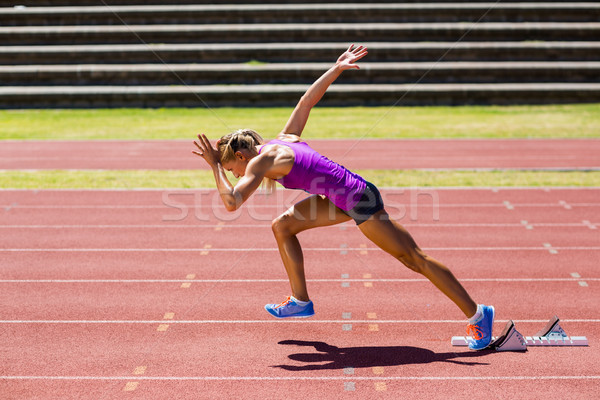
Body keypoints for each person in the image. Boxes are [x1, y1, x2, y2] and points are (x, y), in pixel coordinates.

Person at [193, 44, 494, 350]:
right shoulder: (281, 140)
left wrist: (214, 165)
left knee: (413, 259)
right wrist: (336, 69)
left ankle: (478, 314)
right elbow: (306, 102)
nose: (234, 175)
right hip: (339, 200)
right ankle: (300, 300)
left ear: (242, 156)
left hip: (358, 199)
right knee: (282, 226)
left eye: (233, 168)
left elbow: (231, 202)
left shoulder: (261, 162)